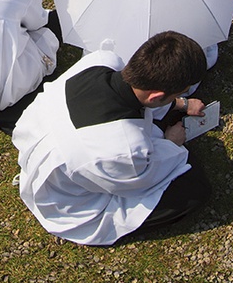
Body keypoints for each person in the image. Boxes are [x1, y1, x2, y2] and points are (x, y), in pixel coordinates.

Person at [12, 31, 210, 246]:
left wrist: (180, 103)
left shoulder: (99, 61)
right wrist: (172, 143)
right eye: (178, 93)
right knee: (194, 189)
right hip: (66, 199)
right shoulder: (125, 149)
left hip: (47, 145)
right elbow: (145, 178)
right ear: (156, 96)